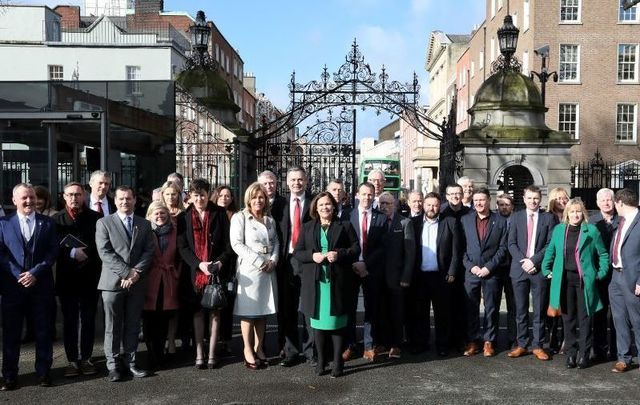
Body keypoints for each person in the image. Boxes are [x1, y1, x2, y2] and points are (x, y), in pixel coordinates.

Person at [294, 192, 359, 377]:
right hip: (316, 285)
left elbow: (356, 249)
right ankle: (321, 361)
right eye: (321, 204)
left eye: (328, 204)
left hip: (337, 283)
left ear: (334, 206)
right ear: (315, 207)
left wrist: (339, 254)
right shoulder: (307, 227)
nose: (325, 207)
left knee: (337, 325)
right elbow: (298, 252)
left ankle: (338, 363)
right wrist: (311, 256)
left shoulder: (344, 225)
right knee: (319, 326)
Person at [0, 183, 58, 391]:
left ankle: (43, 373)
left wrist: (35, 273)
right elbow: (2, 255)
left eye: (32, 197)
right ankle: (9, 376)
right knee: (11, 334)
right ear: (14, 200)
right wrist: (19, 275)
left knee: (43, 332)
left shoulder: (48, 223)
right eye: (24, 198)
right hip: (12, 289)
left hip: (41, 287)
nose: (29, 202)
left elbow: (52, 252)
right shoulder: (3, 223)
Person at [96, 185, 155, 382]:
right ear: (115, 201)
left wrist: (136, 273)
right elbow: (105, 252)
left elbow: (149, 250)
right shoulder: (104, 223)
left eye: (128, 198)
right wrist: (126, 272)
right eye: (121, 199)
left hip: (137, 282)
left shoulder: (144, 224)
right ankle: (113, 366)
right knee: (112, 326)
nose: (125, 202)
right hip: (113, 283)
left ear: (135, 200)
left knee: (132, 325)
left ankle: (131, 362)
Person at [541, 198, 609, 369]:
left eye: (578, 211)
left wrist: (599, 274)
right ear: (567, 214)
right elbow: (551, 251)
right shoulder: (559, 230)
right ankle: (571, 354)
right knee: (568, 319)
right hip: (564, 281)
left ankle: (584, 355)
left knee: (585, 319)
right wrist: (545, 268)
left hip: (584, 282)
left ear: (583, 213)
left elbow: (603, 255)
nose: (575, 214)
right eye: (572, 211)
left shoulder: (591, 231)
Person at [177, 179, 234, 370]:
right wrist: (199, 264)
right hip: (195, 273)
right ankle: (199, 353)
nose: (200, 198)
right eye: (196, 195)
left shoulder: (219, 214)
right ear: (190, 197)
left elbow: (228, 245)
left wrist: (219, 262)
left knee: (216, 312)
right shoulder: (183, 218)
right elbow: (182, 247)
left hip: (217, 271)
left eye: (203, 194)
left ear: (209, 194)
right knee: (198, 312)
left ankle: (212, 353)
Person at [53, 182, 102, 378]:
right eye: (70, 195)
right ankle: (72, 360)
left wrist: (85, 252)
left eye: (78, 194)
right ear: (64, 197)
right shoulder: (55, 220)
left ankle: (87, 358)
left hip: (90, 277)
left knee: (88, 319)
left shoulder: (96, 218)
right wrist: (72, 252)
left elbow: (101, 245)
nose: (74, 198)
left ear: (84, 196)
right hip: (67, 279)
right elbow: (51, 247)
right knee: (70, 320)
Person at [230, 183, 279, 370]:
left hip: (269, 269)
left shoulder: (270, 219)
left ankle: (260, 348)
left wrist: (273, 260)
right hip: (251, 269)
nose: (258, 200)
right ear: (248, 199)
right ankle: (248, 350)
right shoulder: (240, 217)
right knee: (249, 313)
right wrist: (260, 262)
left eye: (261, 197)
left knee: (262, 312)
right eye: (254, 197)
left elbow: (276, 242)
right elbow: (237, 244)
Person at [407, 192, 460, 357]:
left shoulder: (450, 222)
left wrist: (452, 271)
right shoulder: (414, 223)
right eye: (429, 204)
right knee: (419, 312)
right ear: (423, 205)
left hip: (441, 276)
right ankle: (421, 343)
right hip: (420, 275)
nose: (432, 208)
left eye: (435, 205)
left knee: (442, 313)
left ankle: (442, 344)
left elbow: (456, 251)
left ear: (440, 206)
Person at [507, 185, 556, 361]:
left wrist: (534, 261)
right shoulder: (516, 217)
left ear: (540, 199)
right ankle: (521, 344)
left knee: (539, 310)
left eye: (535, 198)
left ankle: (538, 345)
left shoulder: (549, 218)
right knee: (520, 310)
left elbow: (550, 245)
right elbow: (511, 243)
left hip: (539, 269)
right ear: (524, 198)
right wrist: (524, 261)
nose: (533, 201)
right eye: (529, 198)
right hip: (520, 269)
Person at [273, 166, 314, 367]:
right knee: (287, 308)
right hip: (286, 261)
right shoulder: (279, 204)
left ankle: (310, 350)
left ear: (306, 181)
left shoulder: (314, 202)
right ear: (287, 183)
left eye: (300, 179)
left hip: (307, 260)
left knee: (308, 307)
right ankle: (290, 350)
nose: (296, 183)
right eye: (293, 180)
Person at [459, 187, 508, 357]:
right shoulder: (465, 220)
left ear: (489, 200)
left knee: (491, 307)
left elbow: (503, 248)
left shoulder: (500, 221)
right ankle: (473, 341)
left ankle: (489, 341)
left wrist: (489, 267)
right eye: (476, 200)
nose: (479, 203)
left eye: (482, 200)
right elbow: (461, 248)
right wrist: (471, 266)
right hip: (471, 271)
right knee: (470, 307)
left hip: (491, 272)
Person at [346, 182, 388, 362]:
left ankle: (369, 345)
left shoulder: (381, 217)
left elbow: (382, 247)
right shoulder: (348, 215)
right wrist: (355, 262)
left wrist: (366, 264)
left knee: (371, 308)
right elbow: (344, 242)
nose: (367, 198)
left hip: (372, 270)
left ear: (374, 196)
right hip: (351, 268)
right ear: (357, 195)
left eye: (370, 195)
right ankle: (349, 344)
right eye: (363, 194)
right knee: (349, 308)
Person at [376, 192, 415, 358]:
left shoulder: (405, 222)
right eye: (382, 203)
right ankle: (382, 342)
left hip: (397, 277)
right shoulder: (375, 221)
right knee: (381, 311)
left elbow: (410, 253)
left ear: (395, 205)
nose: (385, 206)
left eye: (388, 204)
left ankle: (396, 344)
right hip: (377, 276)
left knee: (397, 312)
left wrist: (406, 277)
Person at [142, 201, 180, 370]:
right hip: (150, 280)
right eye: (156, 214)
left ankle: (161, 353)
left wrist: (177, 273)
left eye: (162, 213)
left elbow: (180, 255)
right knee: (149, 319)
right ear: (149, 216)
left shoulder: (175, 231)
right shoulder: (145, 231)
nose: (159, 216)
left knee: (164, 319)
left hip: (168, 279)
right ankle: (151, 355)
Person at [608, 188, 640, 373]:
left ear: (620, 202)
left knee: (637, 320)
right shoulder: (621, 221)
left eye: (614, 203)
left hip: (633, 278)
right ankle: (624, 358)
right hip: (616, 276)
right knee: (619, 319)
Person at [589, 187, 618, 361]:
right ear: (597, 203)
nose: (606, 203)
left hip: (617, 274)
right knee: (599, 314)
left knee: (617, 315)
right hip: (599, 274)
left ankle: (616, 350)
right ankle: (599, 350)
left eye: (609, 200)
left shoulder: (622, 220)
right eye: (603, 200)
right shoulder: (591, 222)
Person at [211, 185, 238, 357]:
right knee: (211, 304)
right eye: (221, 195)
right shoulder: (211, 213)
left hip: (229, 265)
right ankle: (211, 338)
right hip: (212, 265)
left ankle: (226, 340)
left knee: (226, 305)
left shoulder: (236, 216)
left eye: (228, 195)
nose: (224, 198)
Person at [546, 187, 569, 353]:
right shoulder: (548, 218)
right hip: (552, 269)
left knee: (567, 307)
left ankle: (566, 340)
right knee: (552, 306)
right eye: (558, 198)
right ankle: (553, 338)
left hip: (568, 268)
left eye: (564, 198)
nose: (562, 201)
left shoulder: (573, 216)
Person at [496, 193, 516, 348]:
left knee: (513, 305)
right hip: (496, 268)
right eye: (501, 205)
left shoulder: (517, 220)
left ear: (512, 206)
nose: (504, 207)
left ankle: (512, 338)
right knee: (493, 305)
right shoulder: (493, 220)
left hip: (513, 268)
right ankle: (492, 338)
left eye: (507, 204)